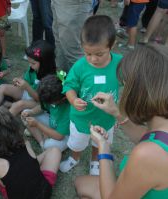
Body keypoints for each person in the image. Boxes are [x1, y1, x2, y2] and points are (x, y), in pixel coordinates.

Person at [75, 44, 168, 199]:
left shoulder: (146, 155)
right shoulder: (160, 132)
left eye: (124, 86)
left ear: (138, 93)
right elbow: (152, 138)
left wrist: (103, 149)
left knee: (82, 187)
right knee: (82, 183)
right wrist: (116, 112)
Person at [60, 15, 123, 175]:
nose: (93, 59)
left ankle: (95, 161)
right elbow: (69, 85)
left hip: (106, 118)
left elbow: (130, 84)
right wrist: (73, 100)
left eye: (99, 54)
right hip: (82, 118)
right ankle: (75, 158)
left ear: (112, 45)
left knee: (100, 143)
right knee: (77, 143)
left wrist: (119, 110)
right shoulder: (80, 65)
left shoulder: (120, 63)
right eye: (88, 53)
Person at [0, 106, 62, 199]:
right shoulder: (26, 144)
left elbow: (3, 185)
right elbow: (32, 164)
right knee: (54, 151)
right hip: (44, 193)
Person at [0, 40, 56, 116]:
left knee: (19, 105)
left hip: (39, 104)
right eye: (29, 62)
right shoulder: (33, 69)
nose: (30, 65)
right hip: (28, 94)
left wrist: (26, 86)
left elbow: (40, 101)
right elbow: (25, 79)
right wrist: (19, 81)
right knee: (2, 87)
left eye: (33, 63)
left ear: (45, 62)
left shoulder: (51, 79)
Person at [22, 74, 70, 151]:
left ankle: (43, 138)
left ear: (62, 99)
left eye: (51, 103)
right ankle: (42, 141)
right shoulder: (52, 95)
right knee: (25, 113)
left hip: (65, 135)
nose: (48, 104)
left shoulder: (67, 109)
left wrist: (37, 125)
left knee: (49, 146)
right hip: (52, 124)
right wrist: (31, 112)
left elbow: (59, 136)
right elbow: (42, 107)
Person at [51, 0, 91, 71]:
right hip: (60, 3)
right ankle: (62, 79)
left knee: (72, 51)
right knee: (60, 49)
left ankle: (80, 80)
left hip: (73, 3)